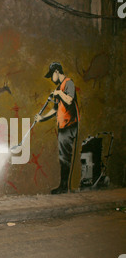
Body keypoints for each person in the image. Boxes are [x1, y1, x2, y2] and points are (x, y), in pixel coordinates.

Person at [34, 62, 79, 194]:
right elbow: (55, 109)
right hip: (62, 126)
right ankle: (63, 186)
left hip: (69, 125)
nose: (51, 79)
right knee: (62, 156)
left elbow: (70, 100)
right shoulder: (60, 87)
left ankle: (64, 187)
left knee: (65, 157)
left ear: (57, 72)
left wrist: (59, 92)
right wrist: (42, 118)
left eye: (51, 76)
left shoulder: (68, 83)